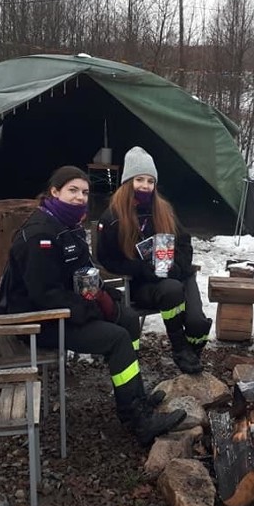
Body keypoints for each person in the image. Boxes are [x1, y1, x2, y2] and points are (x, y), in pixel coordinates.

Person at [0, 165, 185, 446]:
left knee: (128, 319)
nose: (80, 197)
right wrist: (94, 309)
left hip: (65, 309)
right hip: (38, 321)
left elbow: (86, 272)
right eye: (72, 190)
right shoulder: (40, 235)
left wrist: (109, 296)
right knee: (117, 338)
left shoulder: (68, 227)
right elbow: (45, 295)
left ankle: (135, 395)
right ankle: (137, 420)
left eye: (84, 192)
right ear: (54, 192)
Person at [96, 146, 212, 375]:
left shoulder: (164, 210)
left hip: (177, 274)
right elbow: (106, 259)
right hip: (145, 283)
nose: (145, 186)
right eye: (139, 179)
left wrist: (177, 265)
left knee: (198, 323)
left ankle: (193, 352)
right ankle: (179, 349)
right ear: (128, 181)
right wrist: (139, 268)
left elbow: (184, 243)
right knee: (170, 289)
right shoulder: (113, 216)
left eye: (150, 181)